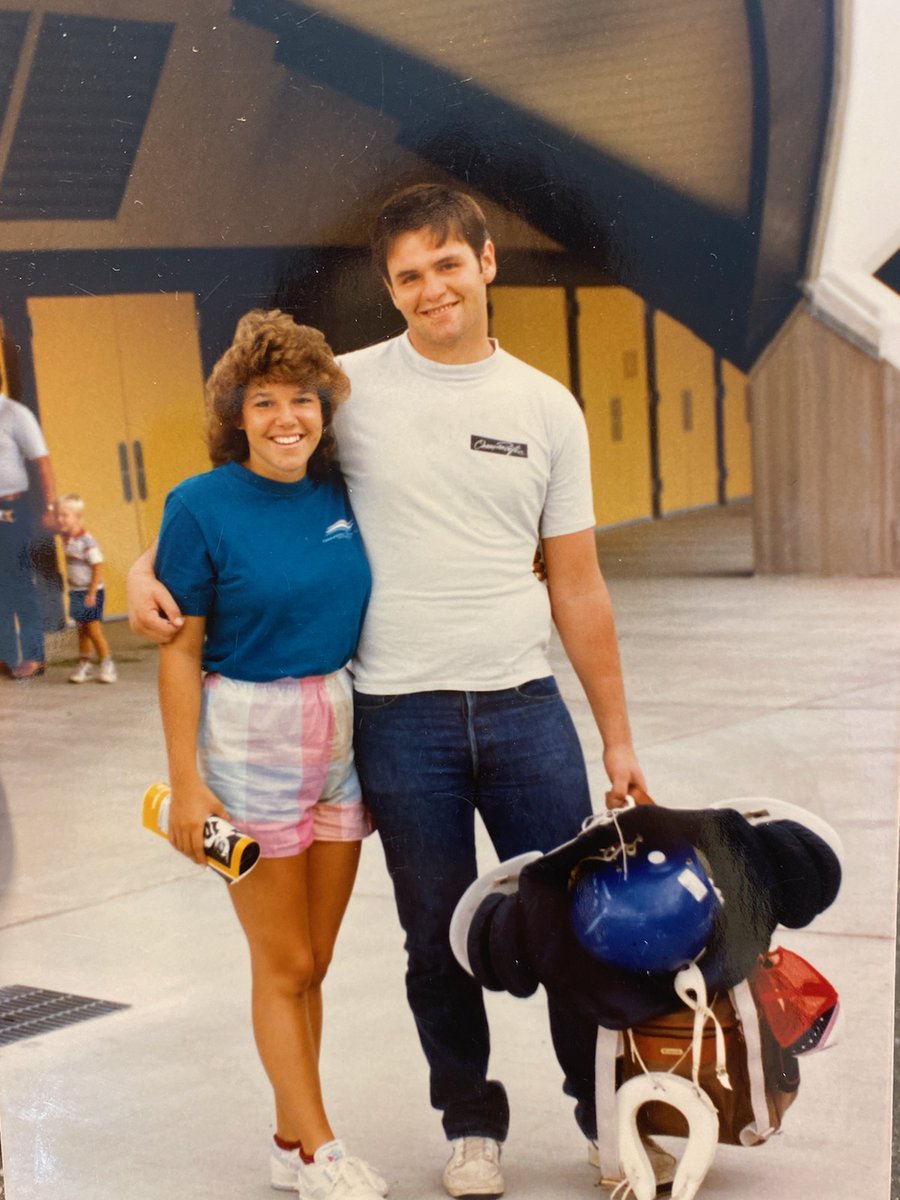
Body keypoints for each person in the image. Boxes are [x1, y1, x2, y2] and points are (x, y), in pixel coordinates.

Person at [129, 184, 646, 1199]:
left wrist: (618, 736)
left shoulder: (547, 407)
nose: (430, 289)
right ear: (389, 287)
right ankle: (470, 1127)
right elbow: (238, 487)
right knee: (437, 935)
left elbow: (578, 585)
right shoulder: (344, 392)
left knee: (575, 921)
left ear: (486, 263)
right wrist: (147, 572)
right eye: (408, 275)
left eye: (447, 265)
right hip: (397, 718)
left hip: (523, 706)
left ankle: (602, 1118)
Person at [153, 310, 386, 1200]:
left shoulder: (341, 492)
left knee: (313, 963)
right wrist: (186, 786)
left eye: (302, 400)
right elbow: (178, 647)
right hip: (245, 742)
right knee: (281, 964)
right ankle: (323, 1152)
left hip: (338, 727)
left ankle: (292, 1140)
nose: (286, 418)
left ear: (324, 410)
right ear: (236, 416)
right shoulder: (198, 504)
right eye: (264, 402)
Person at [0, 387, 58, 680]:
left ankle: (34, 656)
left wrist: (49, 508)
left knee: (20, 580)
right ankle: (5, 656)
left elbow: (41, 462)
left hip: (12, 509)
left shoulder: (15, 414)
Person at [55, 493, 117, 684]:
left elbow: (98, 566)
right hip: (76, 591)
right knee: (82, 630)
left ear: (78, 517)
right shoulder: (66, 538)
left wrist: (91, 593)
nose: (60, 519)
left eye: (65, 515)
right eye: (59, 515)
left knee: (94, 630)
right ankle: (85, 664)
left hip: (91, 592)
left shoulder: (87, 541)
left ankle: (107, 664)